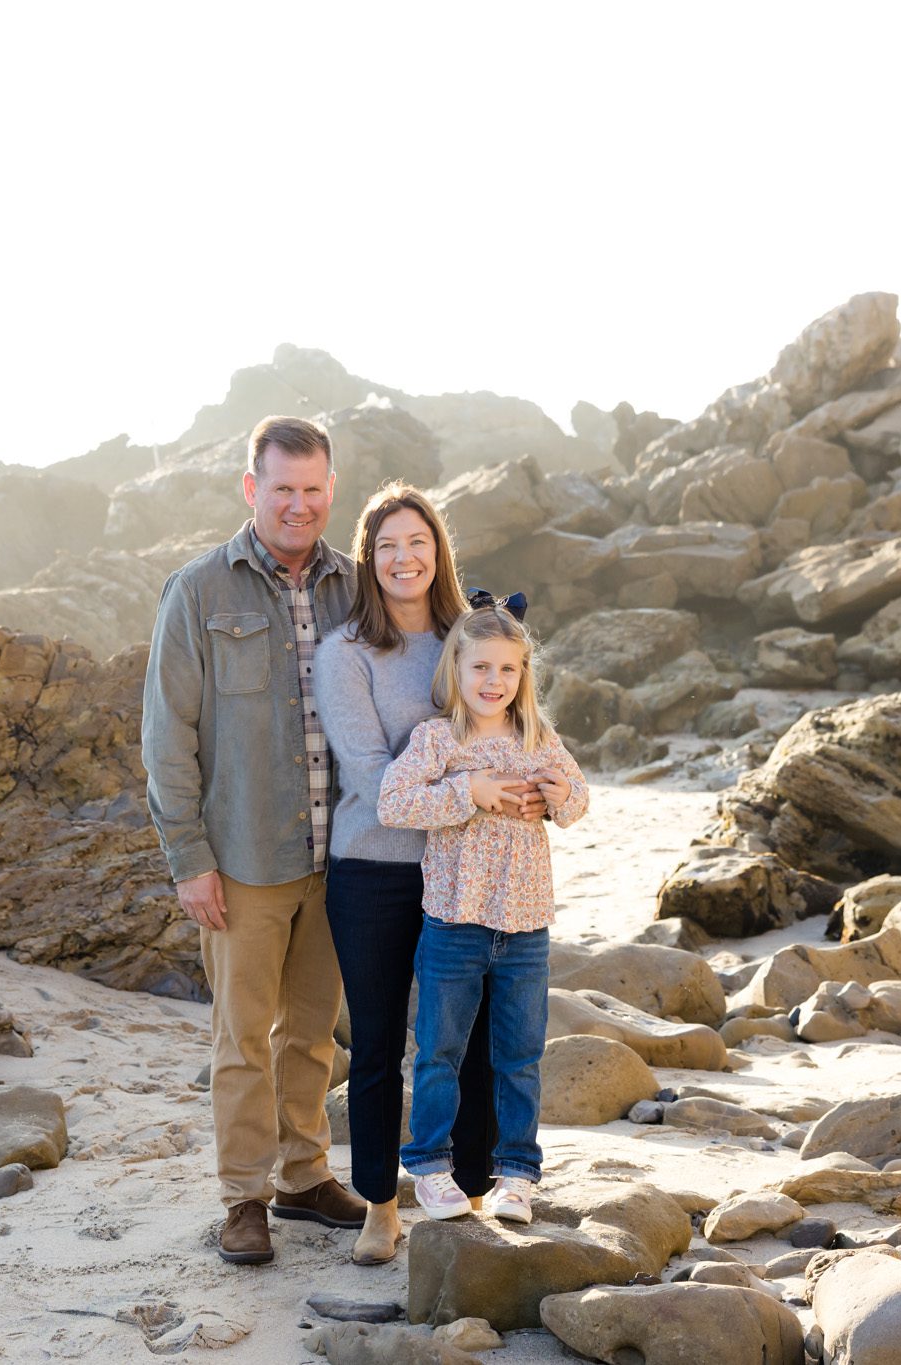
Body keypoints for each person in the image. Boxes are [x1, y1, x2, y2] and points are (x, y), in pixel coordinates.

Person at [142, 414, 368, 1266]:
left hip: (338, 857)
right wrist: (189, 861)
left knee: (312, 1033)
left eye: (313, 490)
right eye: (283, 489)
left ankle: (306, 1174)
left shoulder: (356, 589)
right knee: (241, 1037)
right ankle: (245, 1197)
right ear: (252, 488)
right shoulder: (197, 591)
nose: (298, 505)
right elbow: (167, 739)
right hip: (243, 862)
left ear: (330, 491)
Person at [313, 484, 537, 1265]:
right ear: (368, 560)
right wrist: (473, 793)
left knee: (467, 1040)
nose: (404, 558)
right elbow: (377, 783)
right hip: (373, 871)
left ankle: (471, 1192)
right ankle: (381, 1204)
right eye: (386, 546)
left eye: (418, 542)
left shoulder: (469, 639)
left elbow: (517, 732)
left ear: (439, 551)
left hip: (468, 875)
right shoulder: (344, 652)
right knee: (377, 1044)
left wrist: (535, 791)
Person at [376, 600, 588, 1224]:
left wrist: (554, 797)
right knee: (440, 1048)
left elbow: (578, 800)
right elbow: (394, 802)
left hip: (525, 925)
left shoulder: (538, 739)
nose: (494, 682)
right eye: (481, 669)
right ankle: (429, 1166)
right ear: (457, 670)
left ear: (523, 675)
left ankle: (517, 1175)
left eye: (508, 670)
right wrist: (468, 791)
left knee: (519, 1055)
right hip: (453, 919)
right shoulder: (439, 739)